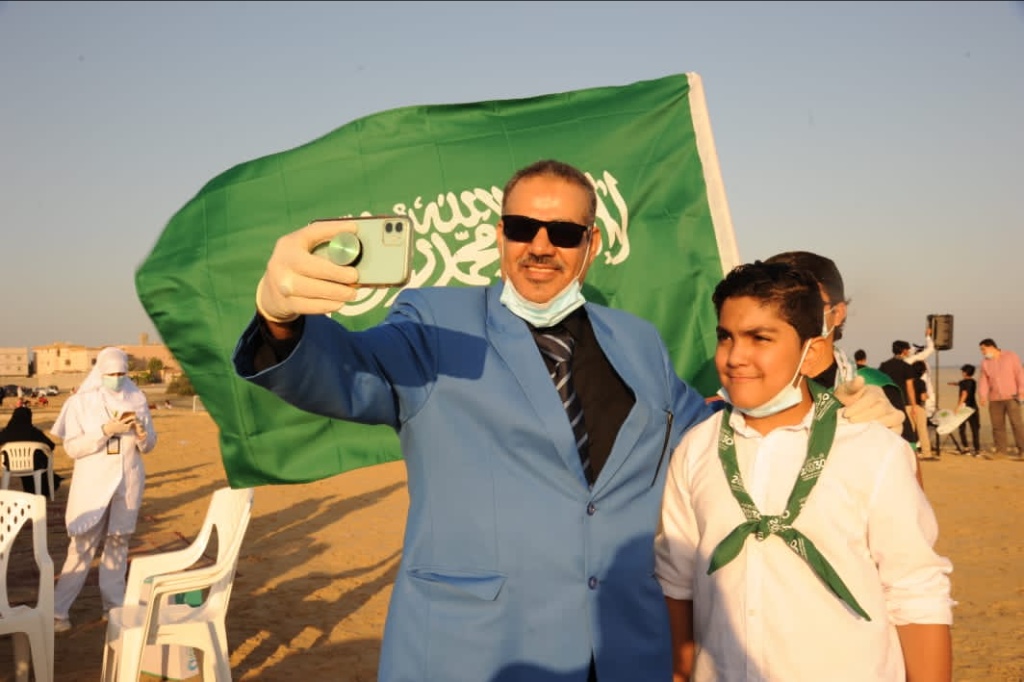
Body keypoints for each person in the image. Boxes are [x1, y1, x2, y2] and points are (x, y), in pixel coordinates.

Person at [234, 159, 900, 681]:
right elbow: (349, 374)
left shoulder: (637, 340)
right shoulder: (435, 323)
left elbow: (710, 434)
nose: (540, 246)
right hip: (478, 650)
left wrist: (829, 415)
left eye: (564, 233)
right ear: (499, 234)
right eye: (522, 227)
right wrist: (280, 320)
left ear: (592, 243)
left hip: (624, 648)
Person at [654, 260, 953, 681]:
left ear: (810, 352)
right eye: (725, 337)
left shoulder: (872, 449)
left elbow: (916, 591)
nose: (735, 357)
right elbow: (677, 582)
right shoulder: (695, 449)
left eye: (760, 338)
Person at [763, 251, 919, 482]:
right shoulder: (751, 383)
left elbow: (912, 485)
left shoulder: (874, 386)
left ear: (837, 313)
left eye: (805, 304)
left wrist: (891, 441)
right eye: (774, 305)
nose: (789, 315)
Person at [50, 347, 156, 633]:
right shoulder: (80, 403)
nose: (117, 378)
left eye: (122, 373)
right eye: (111, 373)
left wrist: (142, 434)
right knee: (82, 547)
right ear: (100, 372)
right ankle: (58, 612)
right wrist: (105, 430)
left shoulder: (136, 398)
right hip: (94, 483)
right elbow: (73, 448)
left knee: (118, 544)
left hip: (128, 481)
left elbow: (149, 444)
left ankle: (114, 606)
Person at [0, 405, 63, 496]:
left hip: (11, 466)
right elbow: (51, 445)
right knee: (41, 459)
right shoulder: (34, 432)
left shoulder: (6, 432)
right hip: (34, 466)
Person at [977, 338, 1024, 459]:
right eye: (981, 350)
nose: (982, 352)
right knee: (997, 426)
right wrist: (982, 395)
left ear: (991, 347)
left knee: (1017, 424)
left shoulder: (1010, 356)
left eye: (983, 349)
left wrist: (1021, 391)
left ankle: (1022, 450)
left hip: (1012, 396)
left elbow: (1019, 373)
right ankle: (1001, 451)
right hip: (994, 398)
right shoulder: (985, 363)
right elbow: (984, 380)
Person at [907, 329, 937, 419]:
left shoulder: (924, 363)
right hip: (919, 392)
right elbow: (930, 349)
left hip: (926, 392)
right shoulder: (912, 361)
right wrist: (928, 337)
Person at [910, 360, 935, 459]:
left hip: (906, 407)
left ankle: (910, 452)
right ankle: (926, 453)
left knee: (910, 432)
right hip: (918, 407)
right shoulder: (920, 382)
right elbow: (923, 397)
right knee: (922, 431)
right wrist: (927, 396)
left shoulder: (908, 381)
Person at [954, 363, 981, 455]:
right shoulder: (973, 382)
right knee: (975, 429)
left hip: (964, 408)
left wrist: (958, 407)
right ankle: (977, 449)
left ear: (965, 372)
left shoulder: (964, 383)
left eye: (962, 371)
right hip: (973, 407)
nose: (962, 373)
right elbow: (960, 384)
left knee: (962, 428)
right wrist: (954, 384)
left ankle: (966, 448)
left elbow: (964, 394)